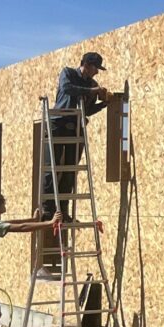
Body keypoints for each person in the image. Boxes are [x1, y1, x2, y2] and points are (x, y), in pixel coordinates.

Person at [40, 52, 113, 220]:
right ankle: (48, 209)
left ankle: (63, 210)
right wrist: (92, 91)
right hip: (58, 123)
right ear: (86, 65)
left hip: (75, 126)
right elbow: (67, 88)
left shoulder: (92, 84)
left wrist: (103, 104)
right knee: (53, 166)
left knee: (70, 170)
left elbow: (87, 110)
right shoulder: (68, 73)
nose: (97, 72)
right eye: (95, 68)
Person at [0, 194, 61, 278]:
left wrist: (33, 220)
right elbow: (22, 227)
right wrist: (50, 223)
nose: (3, 211)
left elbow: (9, 222)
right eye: (0, 211)